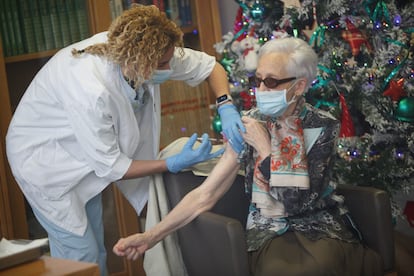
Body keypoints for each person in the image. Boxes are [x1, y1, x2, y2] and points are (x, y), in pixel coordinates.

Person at [5, 4, 245, 276]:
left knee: (97, 251)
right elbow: (112, 167)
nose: (169, 69)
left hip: (84, 156)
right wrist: (171, 163)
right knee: (81, 256)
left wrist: (225, 104)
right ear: (137, 62)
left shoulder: (150, 49)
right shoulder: (92, 90)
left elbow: (210, 67)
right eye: (162, 65)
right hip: (46, 163)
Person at [113, 37, 383, 275]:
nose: (260, 91)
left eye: (272, 82)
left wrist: (265, 149)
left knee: (323, 266)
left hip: (319, 226)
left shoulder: (320, 125)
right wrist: (150, 236)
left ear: (299, 86)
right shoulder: (250, 123)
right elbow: (205, 195)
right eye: (258, 80)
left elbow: (298, 203)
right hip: (269, 233)